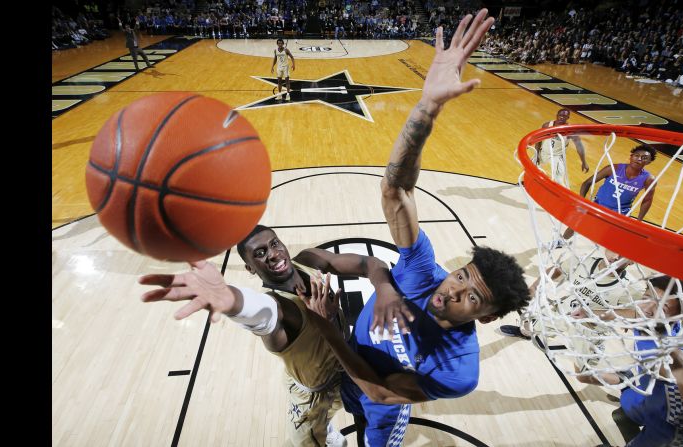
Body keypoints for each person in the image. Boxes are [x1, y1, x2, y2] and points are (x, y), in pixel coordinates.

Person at [293, 10, 532, 447]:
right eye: (461, 276)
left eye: (471, 297)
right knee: (325, 411)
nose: (453, 290)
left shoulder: (460, 370)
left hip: (378, 396)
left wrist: (329, 330)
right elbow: (395, 190)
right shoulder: (425, 273)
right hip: (342, 364)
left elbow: (380, 391)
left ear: (487, 317)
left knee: (375, 433)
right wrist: (428, 107)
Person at [138, 224, 401, 447]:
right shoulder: (278, 307)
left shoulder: (307, 260)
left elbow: (370, 263)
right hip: (315, 394)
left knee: (373, 410)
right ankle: (326, 434)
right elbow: (256, 310)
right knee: (308, 440)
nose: (273, 255)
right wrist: (225, 297)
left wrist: (386, 290)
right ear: (251, 269)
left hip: (347, 364)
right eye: (260, 254)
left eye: (275, 244)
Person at [575, 276, 683, 446]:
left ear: (677, 318)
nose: (648, 309)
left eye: (663, 307)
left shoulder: (677, 359)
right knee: (621, 415)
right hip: (648, 397)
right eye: (646, 298)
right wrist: (591, 313)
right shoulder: (647, 317)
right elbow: (631, 314)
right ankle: (626, 380)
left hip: (671, 425)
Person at [499, 248, 645, 383]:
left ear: (632, 261)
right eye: (614, 249)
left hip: (589, 332)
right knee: (528, 325)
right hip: (563, 312)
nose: (616, 256)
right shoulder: (583, 262)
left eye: (624, 255)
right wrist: (534, 287)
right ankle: (525, 333)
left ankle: (624, 381)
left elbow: (636, 314)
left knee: (583, 377)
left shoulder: (632, 287)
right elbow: (557, 270)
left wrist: (616, 318)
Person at [561, 145, 657, 242]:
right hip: (598, 205)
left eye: (644, 158)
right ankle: (561, 241)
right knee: (576, 223)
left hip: (621, 213)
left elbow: (647, 200)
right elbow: (587, 183)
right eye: (637, 155)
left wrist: (639, 221)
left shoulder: (649, 179)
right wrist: (582, 201)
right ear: (631, 156)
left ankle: (609, 256)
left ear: (649, 162)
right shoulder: (613, 168)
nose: (639, 159)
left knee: (616, 239)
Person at [532, 108, 589, 187]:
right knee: (530, 171)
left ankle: (561, 195)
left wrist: (584, 162)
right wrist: (536, 154)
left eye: (565, 116)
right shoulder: (547, 125)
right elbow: (539, 141)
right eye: (560, 115)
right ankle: (527, 185)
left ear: (568, 118)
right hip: (543, 153)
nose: (562, 117)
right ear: (557, 116)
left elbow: (579, 146)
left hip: (556, 157)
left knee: (558, 181)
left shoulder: (570, 130)